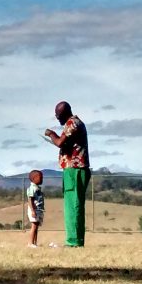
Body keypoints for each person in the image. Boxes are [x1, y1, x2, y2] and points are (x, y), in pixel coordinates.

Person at [44, 101, 90, 247]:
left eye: (58, 115)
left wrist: (51, 134)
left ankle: (73, 242)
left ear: (65, 112)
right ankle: (75, 240)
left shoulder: (73, 123)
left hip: (75, 170)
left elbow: (59, 142)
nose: (57, 118)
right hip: (73, 169)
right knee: (72, 205)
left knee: (73, 206)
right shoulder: (73, 123)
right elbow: (65, 143)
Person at [26, 169, 44, 248]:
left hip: (38, 209)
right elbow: (30, 200)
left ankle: (34, 243)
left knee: (36, 226)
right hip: (34, 210)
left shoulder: (37, 188)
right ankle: (30, 243)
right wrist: (33, 211)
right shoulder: (32, 188)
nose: (42, 179)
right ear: (34, 179)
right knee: (34, 226)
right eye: (40, 177)